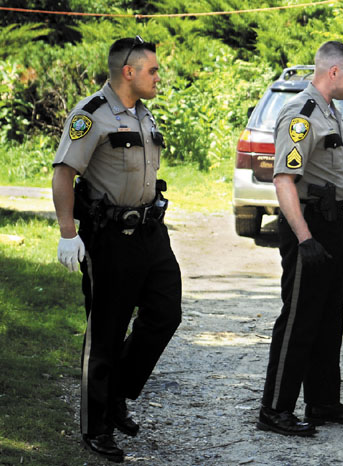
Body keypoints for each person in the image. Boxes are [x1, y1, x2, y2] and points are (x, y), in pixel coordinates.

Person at [51, 36, 182, 463]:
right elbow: (64, 174)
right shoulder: (91, 116)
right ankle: (97, 425)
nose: (159, 77)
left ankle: (117, 393)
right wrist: (68, 232)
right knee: (106, 331)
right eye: (154, 70)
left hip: (149, 232)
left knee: (166, 313)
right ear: (129, 72)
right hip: (108, 238)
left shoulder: (143, 114)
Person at [256, 41, 343, 437]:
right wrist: (304, 239)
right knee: (299, 318)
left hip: (331, 221)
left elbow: (336, 153)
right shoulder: (300, 114)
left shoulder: (328, 111)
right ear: (334, 72)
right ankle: (274, 410)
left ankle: (322, 402)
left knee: (326, 318)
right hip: (309, 226)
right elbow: (284, 179)